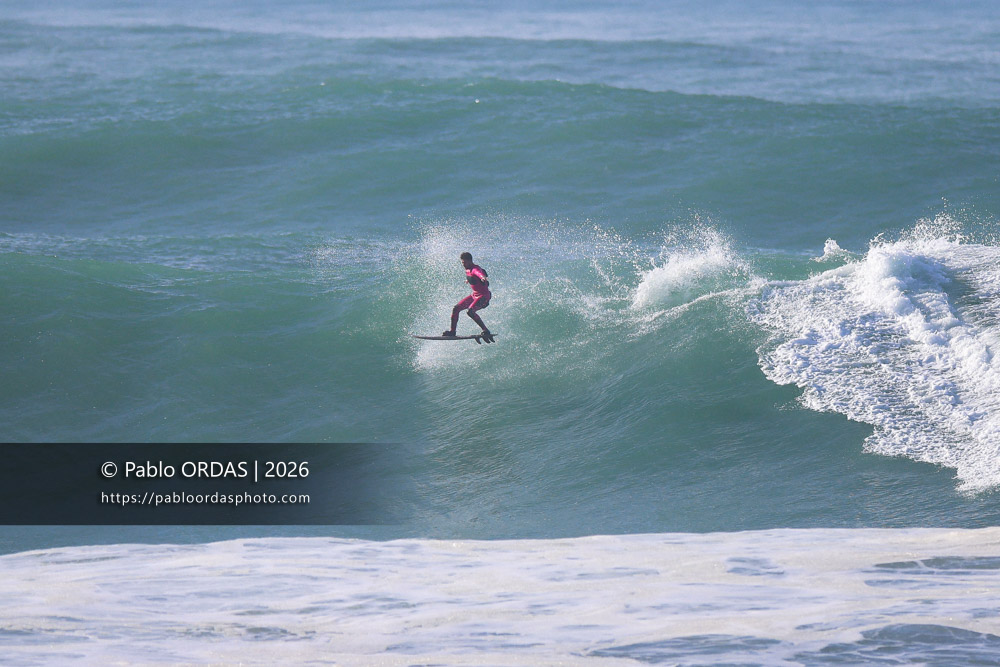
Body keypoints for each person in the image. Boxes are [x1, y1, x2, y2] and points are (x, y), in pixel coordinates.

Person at [443, 252, 495, 343]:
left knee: (470, 311)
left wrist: (482, 277)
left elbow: (479, 273)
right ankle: (452, 331)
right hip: (475, 295)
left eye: (464, 263)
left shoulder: (475, 269)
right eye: (462, 263)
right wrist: (469, 280)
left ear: (470, 261)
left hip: (484, 297)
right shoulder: (468, 269)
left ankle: (485, 330)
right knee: (456, 308)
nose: (463, 265)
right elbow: (473, 275)